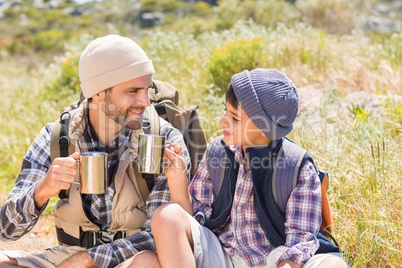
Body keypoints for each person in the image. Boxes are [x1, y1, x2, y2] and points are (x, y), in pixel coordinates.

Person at [0, 34, 190, 268]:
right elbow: (5, 230)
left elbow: (165, 236)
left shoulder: (164, 140)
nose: (145, 102)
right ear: (98, 92)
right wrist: (42, 190)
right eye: (133, 91)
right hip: (68, 255)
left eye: (146, 89)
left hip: (130, 259)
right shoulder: (56, 137)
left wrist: (89, 259)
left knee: (149, 264)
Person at [149, 69, 349, 268]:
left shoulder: (297, 167)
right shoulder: (217, 153)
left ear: (266, 129)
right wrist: (177, 178)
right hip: (223, 255)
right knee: (166, 216)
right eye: (225, 110)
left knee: (333, 265)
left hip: (277, 260)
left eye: (235, 118)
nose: (222, 120)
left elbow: (300, 243)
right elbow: (194, 225)